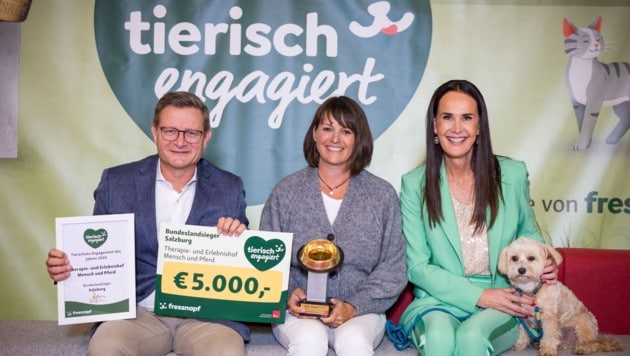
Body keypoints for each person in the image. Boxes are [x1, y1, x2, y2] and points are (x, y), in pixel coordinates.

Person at [45, 91, 250, 356]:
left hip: (206, 317)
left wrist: (237, 238)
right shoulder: (116, 182)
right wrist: (66, 266)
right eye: (170, 131)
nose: (180, 141)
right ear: (155, 132)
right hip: (136, 313)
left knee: (227, 352)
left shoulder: (230, 187)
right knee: (106, 346)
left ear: (206, 137)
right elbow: (95, 254)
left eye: (191, 133)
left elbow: (241, 271)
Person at [396, 80, 558, 355]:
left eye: (467, 118)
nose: (457, 128)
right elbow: (418, 267)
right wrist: (479, 296)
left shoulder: (512, 174)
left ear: (479, 126)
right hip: (438, 298)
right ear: (434, 125)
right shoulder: (414, 184)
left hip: (505, 295)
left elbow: (528, 232)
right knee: (439, 340)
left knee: (471, 339)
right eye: (447, 117)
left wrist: (544, 257)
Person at [260, 96, 407, 356]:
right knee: (309, 339)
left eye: (346, 131)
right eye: (327, 128)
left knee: (353, 341)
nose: (335, 139)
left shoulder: (382, 195)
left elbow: (393, 268)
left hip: (362, 312)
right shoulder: (286, 192)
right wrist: (286, 297)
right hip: (296, 313)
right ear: (314, 134)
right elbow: (266, 261)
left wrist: (354, 305)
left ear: (358, 139)